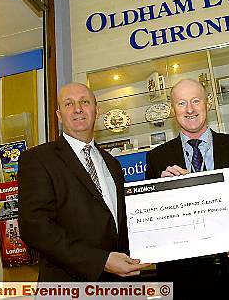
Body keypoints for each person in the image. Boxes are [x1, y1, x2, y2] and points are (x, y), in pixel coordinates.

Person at [145, 79, 229, 300]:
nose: (189, 109)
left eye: (195, 101)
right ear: (173, 110)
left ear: (208, 103)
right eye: (181, 103)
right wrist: (160, 194)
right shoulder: (157, 159)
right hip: (184, 280)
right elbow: (153, 230)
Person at [18, 83, 149, 281]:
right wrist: (101, 261)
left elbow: (120, 224)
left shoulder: (112, 164)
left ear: (97, 110)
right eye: (68, 104)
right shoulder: (37, 159)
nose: (78, 109)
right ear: (59, 115)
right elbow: (35, 228)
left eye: (85, 102)